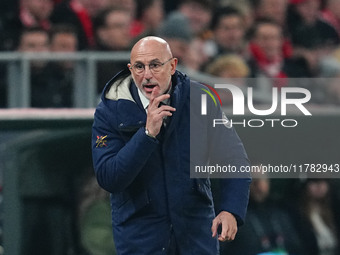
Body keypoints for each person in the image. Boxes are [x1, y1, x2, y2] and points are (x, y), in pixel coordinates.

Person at [91, 36, 251, 254]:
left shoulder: (200, 99)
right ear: (130, 69)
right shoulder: (110, 111)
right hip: (142, 240)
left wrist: (231, 210)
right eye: (139, 67)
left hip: (196, 236)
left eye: (155, 65)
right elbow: (109, 177)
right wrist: (146, 135)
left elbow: (235, 159)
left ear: (173, 66)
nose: (146, 74)